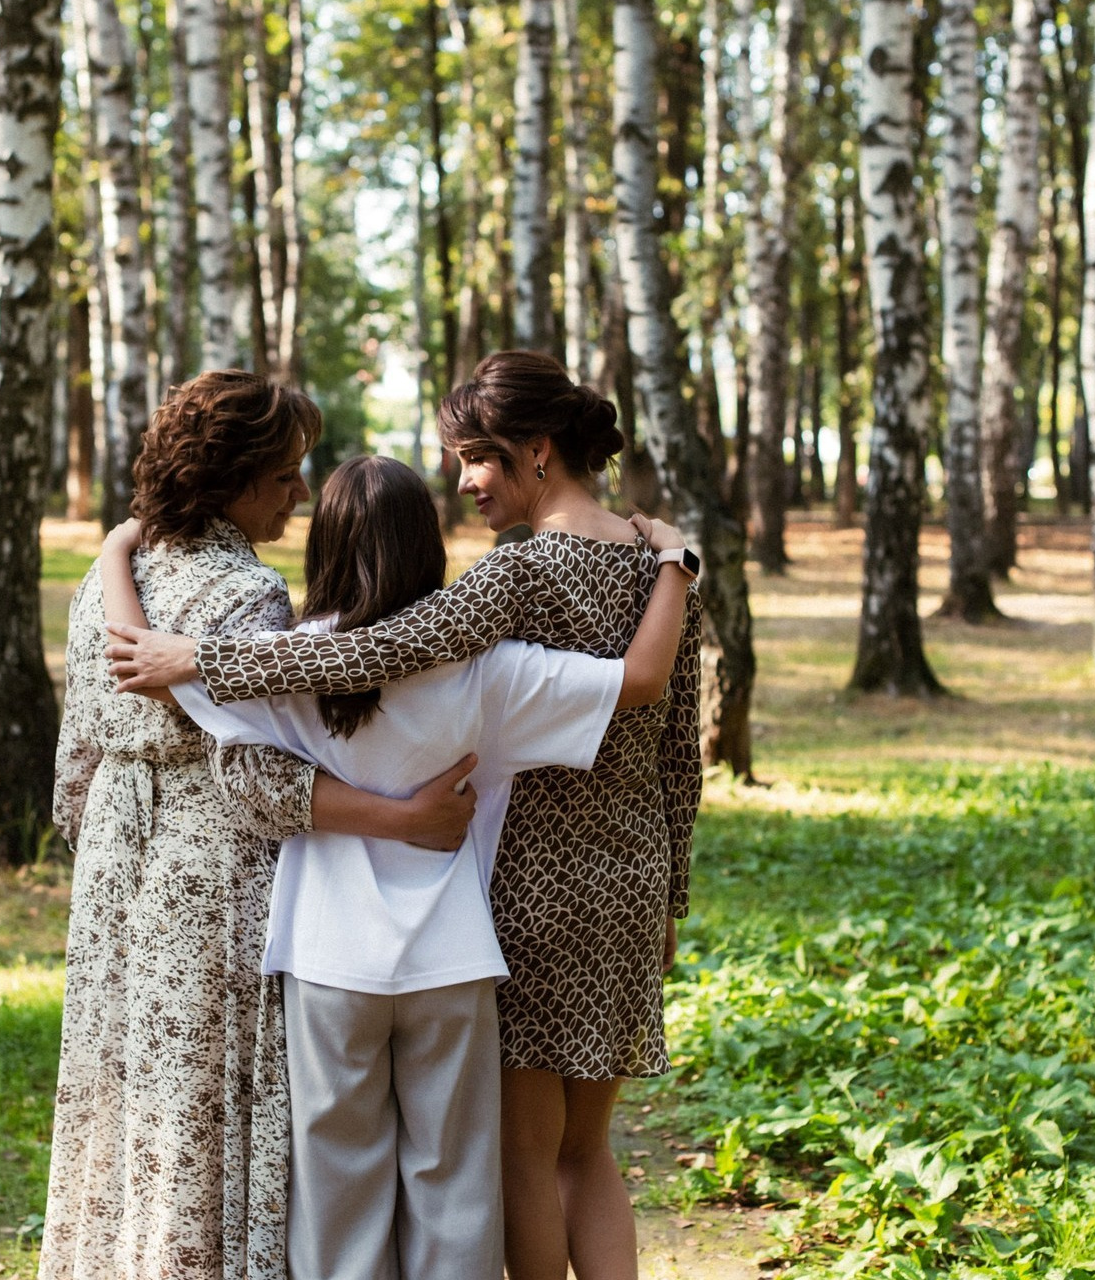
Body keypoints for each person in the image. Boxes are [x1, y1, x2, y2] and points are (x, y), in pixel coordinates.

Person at [106, 350, 704, 1280]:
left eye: (476, 457)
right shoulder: (623, 592)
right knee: (551, 1160)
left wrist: (192, 646)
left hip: (479, 904)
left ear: (537, 451)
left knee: (467, 1161)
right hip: (583, 899)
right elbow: (671, 739)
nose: (465, 481)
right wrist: (671, 894)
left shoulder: (504, 582)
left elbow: (378, 653)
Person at [41, 371, 475, 1280]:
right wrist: (402, 817)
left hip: (118, 859)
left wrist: (109, 845)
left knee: (124, 1097)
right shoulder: (248, 596)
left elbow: (74, 761)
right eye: (283, 477)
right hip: (211, 870)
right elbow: (261, 778)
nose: (301, 495)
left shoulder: (107, 577)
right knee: (206, 1102)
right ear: (230, 483)